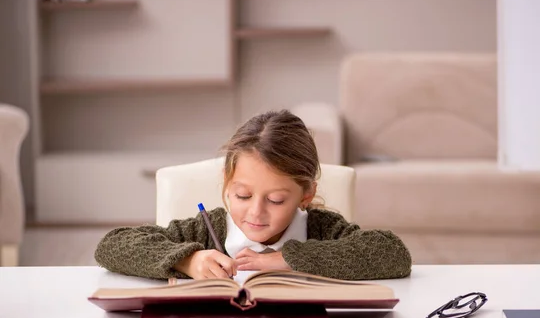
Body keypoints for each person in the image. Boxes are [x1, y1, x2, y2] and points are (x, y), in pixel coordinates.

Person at [94, 109, 412, 281]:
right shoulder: (206, 229)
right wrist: (188, 260)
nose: (256, 214)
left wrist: (289, 258)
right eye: (243, 195)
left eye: (275, 200)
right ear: (226, 183)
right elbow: (113, 245)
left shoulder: (322, 229)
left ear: (305, 194)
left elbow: (392, 254)